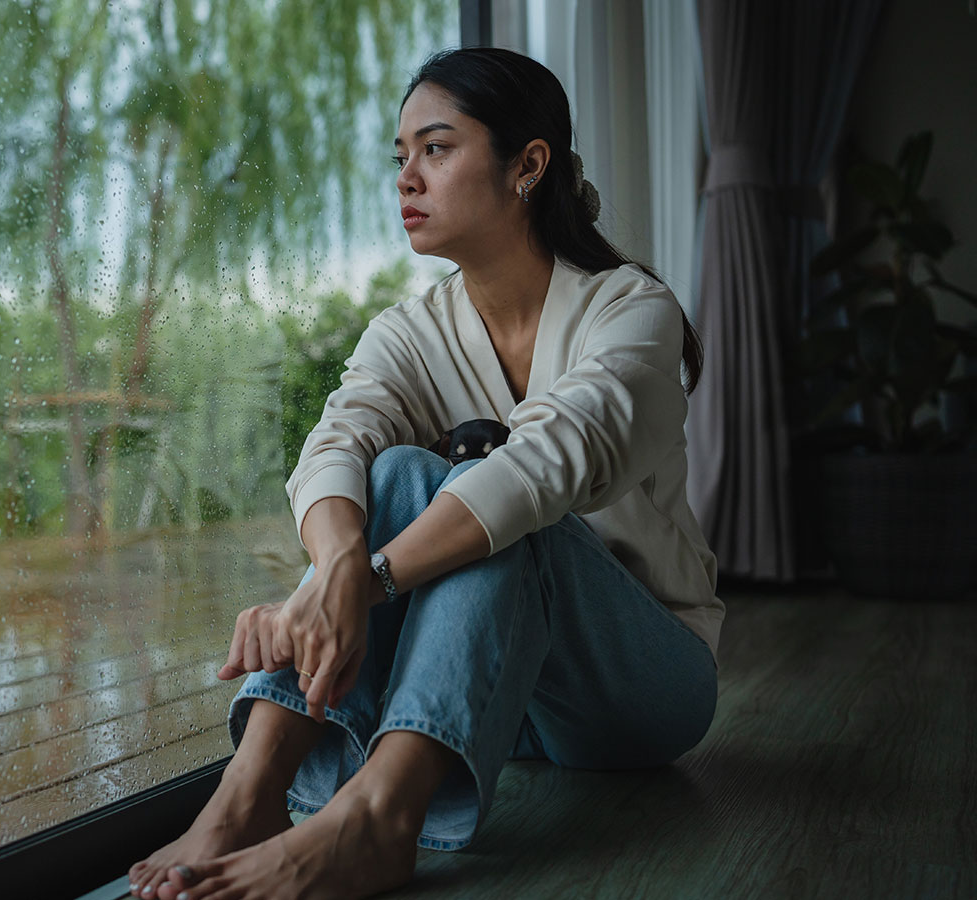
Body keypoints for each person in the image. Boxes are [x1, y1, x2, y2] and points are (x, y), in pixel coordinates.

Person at [125, 45, 724, 900]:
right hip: (497, 701)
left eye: (436, 150)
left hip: (638, 689)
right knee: (402, 470)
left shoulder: (630, 311)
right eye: (400, 157)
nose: (407, 177)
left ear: (528, 165)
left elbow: (548, 465)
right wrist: (332, 572)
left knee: (513, 510)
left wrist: (358, 584)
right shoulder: (412, 331)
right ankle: (249, 794)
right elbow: (336, 446)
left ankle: (377, 820)